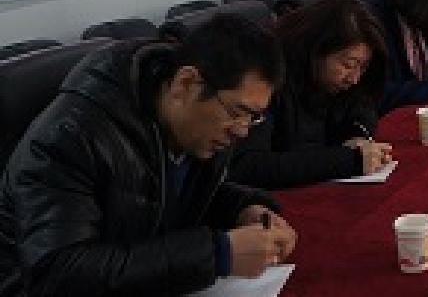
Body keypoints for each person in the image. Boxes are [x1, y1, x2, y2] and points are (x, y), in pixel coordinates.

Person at [0, 15, 298, 296]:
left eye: (253, 117)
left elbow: (157, 197)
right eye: (237, 112)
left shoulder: (192, 123)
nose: (242, 131)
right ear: (186, 83)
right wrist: (217, 254)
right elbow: (58, 274)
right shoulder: (68, 137)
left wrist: (241, 209)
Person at [229, 0, 393, 189]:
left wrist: (357, 137)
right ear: (316, 50)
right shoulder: (267, 76)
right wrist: (348, 161)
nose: (354, 78)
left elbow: (363, 106)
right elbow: (248, 166)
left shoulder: (342, 81)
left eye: (363, 68)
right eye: (348, 65)